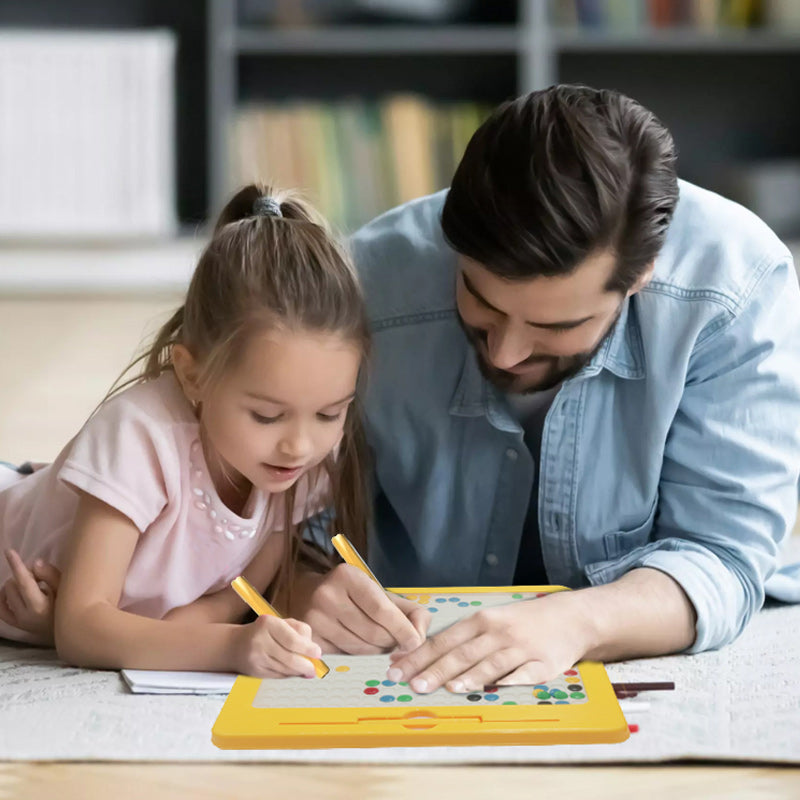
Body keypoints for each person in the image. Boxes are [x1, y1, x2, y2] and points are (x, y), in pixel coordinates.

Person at [288, 84, 800, 695]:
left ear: (639, 277)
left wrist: (577, 622)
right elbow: (271, 521)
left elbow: (721, 557)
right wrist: (304, 584)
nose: (504, 353)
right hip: (399, 653)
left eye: (556, 326)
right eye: (479, 303)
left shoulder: (735, 288)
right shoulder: (362, 284)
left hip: (660, 663)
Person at [0, 184, 428, 676]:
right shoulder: (140, 436)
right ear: (192, 375)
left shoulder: (304, 463)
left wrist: (182, 628)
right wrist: (227, 648)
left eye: (331, 414)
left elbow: (232, 597)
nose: (300, 444)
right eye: (267, 416)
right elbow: (82, 629)